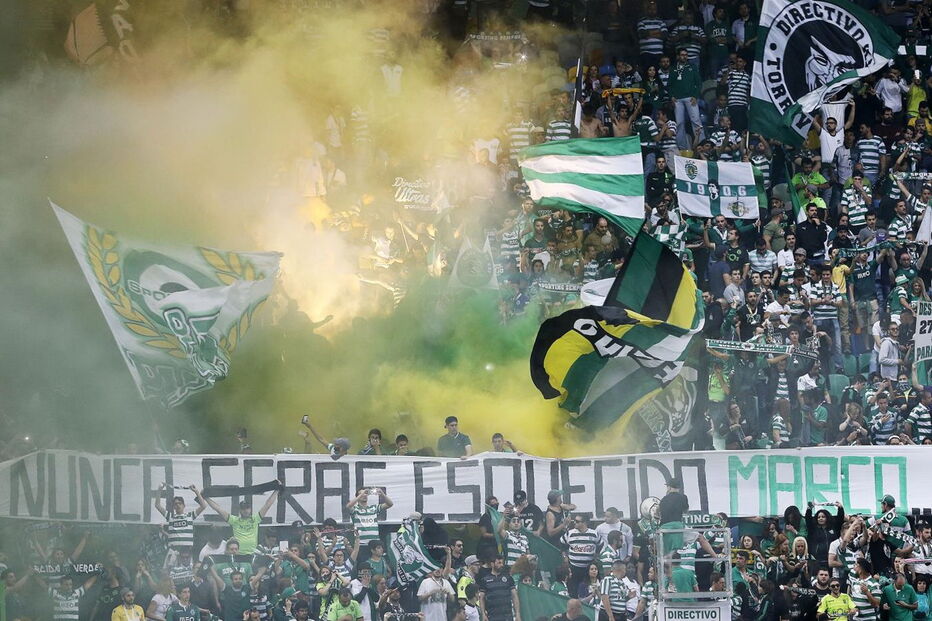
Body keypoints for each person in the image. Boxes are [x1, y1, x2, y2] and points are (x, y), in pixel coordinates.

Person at [199, 483, 281, 555]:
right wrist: (206, 498)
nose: (246, 510)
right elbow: (218, 509)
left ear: (250, 509)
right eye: (243, 509)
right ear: (240, 510)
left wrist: (277, 490)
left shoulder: (255, 519)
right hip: (237, 553)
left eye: (247, 508)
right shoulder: (234, 520)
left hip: (253, 553)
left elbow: (267, 505)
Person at [155, 485, 207, 555]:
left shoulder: (190, 516)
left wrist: (196, 491)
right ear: (173, 507)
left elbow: (203, 506)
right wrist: (159, 489)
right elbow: (157, 505)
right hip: (173, 551)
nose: (178, 505)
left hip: (187, 551)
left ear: (184, 505)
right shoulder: (170, 517)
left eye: (180, 503)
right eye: (176, 504)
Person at [347, 487, 393, 552]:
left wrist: (382, 494)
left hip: (375, 544)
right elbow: (348, 506)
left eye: (366, 493)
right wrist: (361, 494)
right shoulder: (355, 509)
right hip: (361, 544)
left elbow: (390, 504)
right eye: (362, 494)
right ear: (357, 496)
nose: (364, 495)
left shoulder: (373, 508)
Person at [477, 555, 520, 621]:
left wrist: (517, 614)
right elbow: (481, 598)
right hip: (492, 616)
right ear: (492, 564)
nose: (501, 565)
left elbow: (514, 596)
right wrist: (483, 614)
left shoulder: (508, 578)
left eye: (502, 563)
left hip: (507, 616)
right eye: (499, 563)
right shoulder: (485, 580)